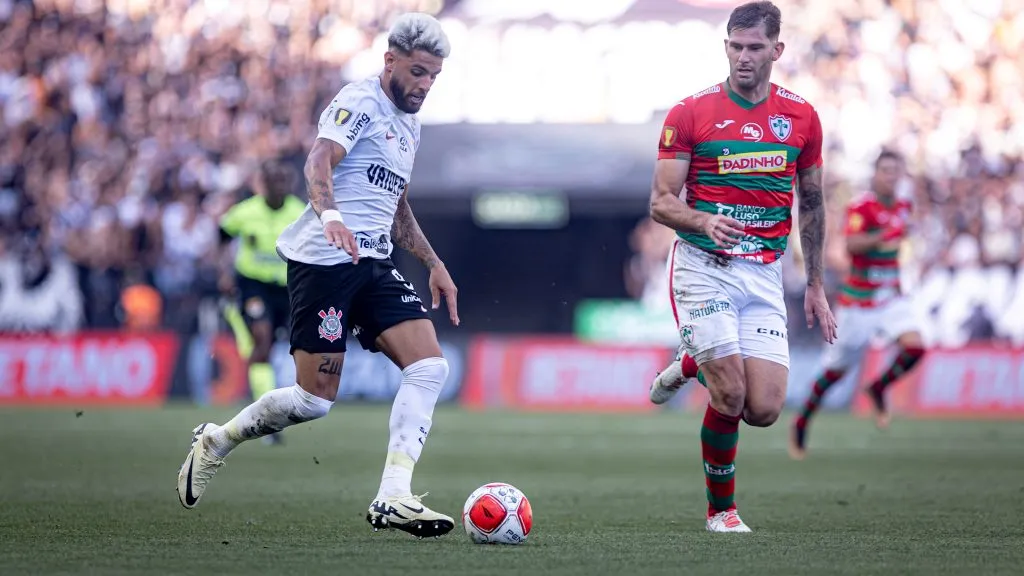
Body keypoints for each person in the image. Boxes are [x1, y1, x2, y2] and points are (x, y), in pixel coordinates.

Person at [177, 13, 462, 540]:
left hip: (373, 264)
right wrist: (331, 216)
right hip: (323, 264)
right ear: (391, 61)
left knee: (429, 369)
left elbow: (396, 206)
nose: (424, 86)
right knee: (312, 402)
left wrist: (434, 262)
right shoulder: (360, 102)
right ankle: (218, 440)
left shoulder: (410, 126)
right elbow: (318, 163)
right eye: (418, 72)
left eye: (434, 77)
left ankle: (393, 496)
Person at [647, 1, 837, 533]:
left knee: (764, 409)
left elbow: (814, 202)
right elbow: (660, 201)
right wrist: (703, 222)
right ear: (725, 46)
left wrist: (816, 284)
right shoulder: (690, 112)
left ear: (777, 50)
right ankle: (721, 512)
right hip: (703, 265)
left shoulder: (802, 116)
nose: (743, 57)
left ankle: (689, 363)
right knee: (729, 392)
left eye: (755, 48)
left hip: (764, 273)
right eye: (735, 46)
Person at [788, 150, 924, 459]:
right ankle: (801, 421)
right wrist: (882, 236)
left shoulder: (904, 206)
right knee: (835, 372)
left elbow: (898, 243)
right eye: (886, 170)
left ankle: (878, 388)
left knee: (915, 348)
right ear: (876, 174)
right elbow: (851, 245)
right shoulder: (862, 207)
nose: (891, 176)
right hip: (859, 303)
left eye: (896, 171)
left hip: (890, 297)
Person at [218, 159, 306, 445]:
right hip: (253, 284)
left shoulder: (299, 212)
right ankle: (265, 415)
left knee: (286, 345)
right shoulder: (245, 212)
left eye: (282, 181)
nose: (277, 187)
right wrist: (224, 272)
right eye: (271, 181)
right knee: (262, 337)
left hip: (286, 288)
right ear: (263, 184)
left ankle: (269, 401)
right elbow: (222, 235)